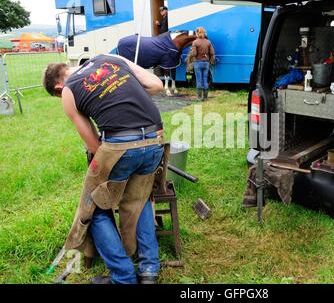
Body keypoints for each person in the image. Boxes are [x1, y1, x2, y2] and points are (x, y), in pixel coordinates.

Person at [42, 54, 165, 284]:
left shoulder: (68, 90)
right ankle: (149, 270)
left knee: (94, 209)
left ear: (58, 87)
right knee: (139, 198)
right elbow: (156, 85)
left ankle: (123, 277)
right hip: (155, 139)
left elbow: (93, 145)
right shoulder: (109, 58)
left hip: (121, 146)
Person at [191, 27, 215, 101]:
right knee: (205, 80)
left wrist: (192, 52)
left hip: (197, 63)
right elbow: (212, 53)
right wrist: (211, 61)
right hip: (206, 63)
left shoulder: (195, 42)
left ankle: (199, 97)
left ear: (197, 33)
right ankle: (205, 97)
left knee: (199, 80)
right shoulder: (208, 42)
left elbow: (194, 54)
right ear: (204, 33)